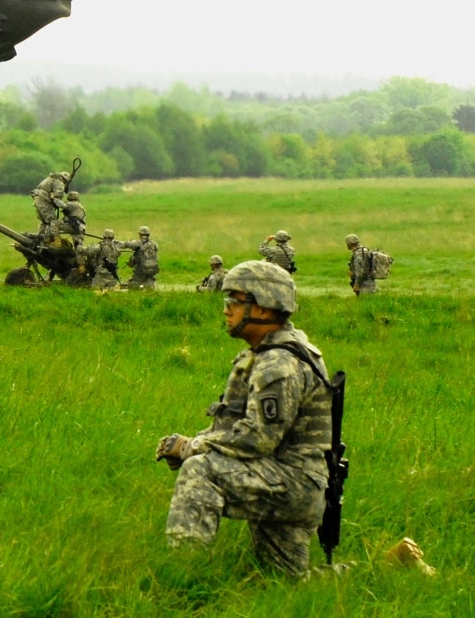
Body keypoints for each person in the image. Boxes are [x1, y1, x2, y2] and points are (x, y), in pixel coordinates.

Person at [154, 261, 333, 577]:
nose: (226, 310)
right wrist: (196, 442)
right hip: (287, 480)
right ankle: (392, 566)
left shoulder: (278, 364)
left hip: (292, 482)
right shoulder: (264, 354)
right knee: (284, 583)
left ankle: (184, 578)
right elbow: (232, 427)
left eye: (233, 302)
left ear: (264, 308)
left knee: (200, 471)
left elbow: (256, 439)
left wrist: (191, 449)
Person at [31, 170, 72, 235]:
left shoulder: (49, 179)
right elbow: (58, 194)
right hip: (44, 200)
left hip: (38, 199)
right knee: (52, 221)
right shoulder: (59, 180)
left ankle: (40, 237)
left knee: (45, 221)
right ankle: (55, 241)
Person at [120, 226, 160, 290]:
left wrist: (113, 242)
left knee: (133, 284)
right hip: (153, 269)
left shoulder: (137, 243)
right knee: (149, 282)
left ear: (139, 234)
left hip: (141, 269)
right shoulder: (154, 244)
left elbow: (125, 244)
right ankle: (150, 289)